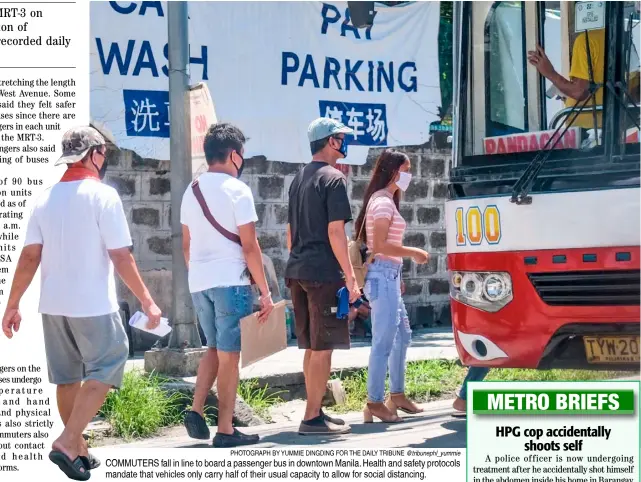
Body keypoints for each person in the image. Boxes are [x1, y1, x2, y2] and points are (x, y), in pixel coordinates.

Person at [1, 125, 162, 481]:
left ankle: (79, 449)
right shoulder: (103, 196)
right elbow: (121, 256)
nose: (104, 159)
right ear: (92, 155)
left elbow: (29, 257)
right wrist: (148, 301)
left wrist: (12, 304)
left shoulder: (44, 198)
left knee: (67, 377)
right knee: (110, 361)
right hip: (92, 304)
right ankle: (68, 439)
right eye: (103, 152)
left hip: (52, 304)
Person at [180, 123, 274, 448]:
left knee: (214, 348)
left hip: (199, 283)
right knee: (230, 356)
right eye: (242, 154)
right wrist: (265, 291)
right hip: (230, 282)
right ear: (234, 155)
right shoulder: (238, 190)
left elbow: (186, 245)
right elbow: (250, 246)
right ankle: (225, 430)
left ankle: (195, 408)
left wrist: (200, 274)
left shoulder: (190, 191)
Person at [285, 117, 358, 436]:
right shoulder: (334, 179)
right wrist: (352, 277)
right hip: (323, 273)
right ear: (331, 142)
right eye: (342, 138)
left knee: (312, 346)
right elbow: (335, 231)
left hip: (298, 269)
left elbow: (290, 232)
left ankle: (314, 410)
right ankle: (312, 418)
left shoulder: (298, 178)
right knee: (324, 346)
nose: (345, 143)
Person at [352, 149, 430, 423]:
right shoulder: (383, 203)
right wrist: (414, 252)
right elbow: (380, 245)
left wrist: (399, 272)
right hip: (383, 276)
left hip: (390, 275)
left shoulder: (386, 200)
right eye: (407, 169)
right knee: (383, 341)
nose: (409, 175)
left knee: (403, 336)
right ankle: (374, 401)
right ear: (395, 172)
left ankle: (395, 395)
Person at [528, 29, 606, 129]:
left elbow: (579, 92)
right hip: (616, 127)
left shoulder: (586, 40)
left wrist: (549, 72)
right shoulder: (622, 36)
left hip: (589, 131)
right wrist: (568, 93)